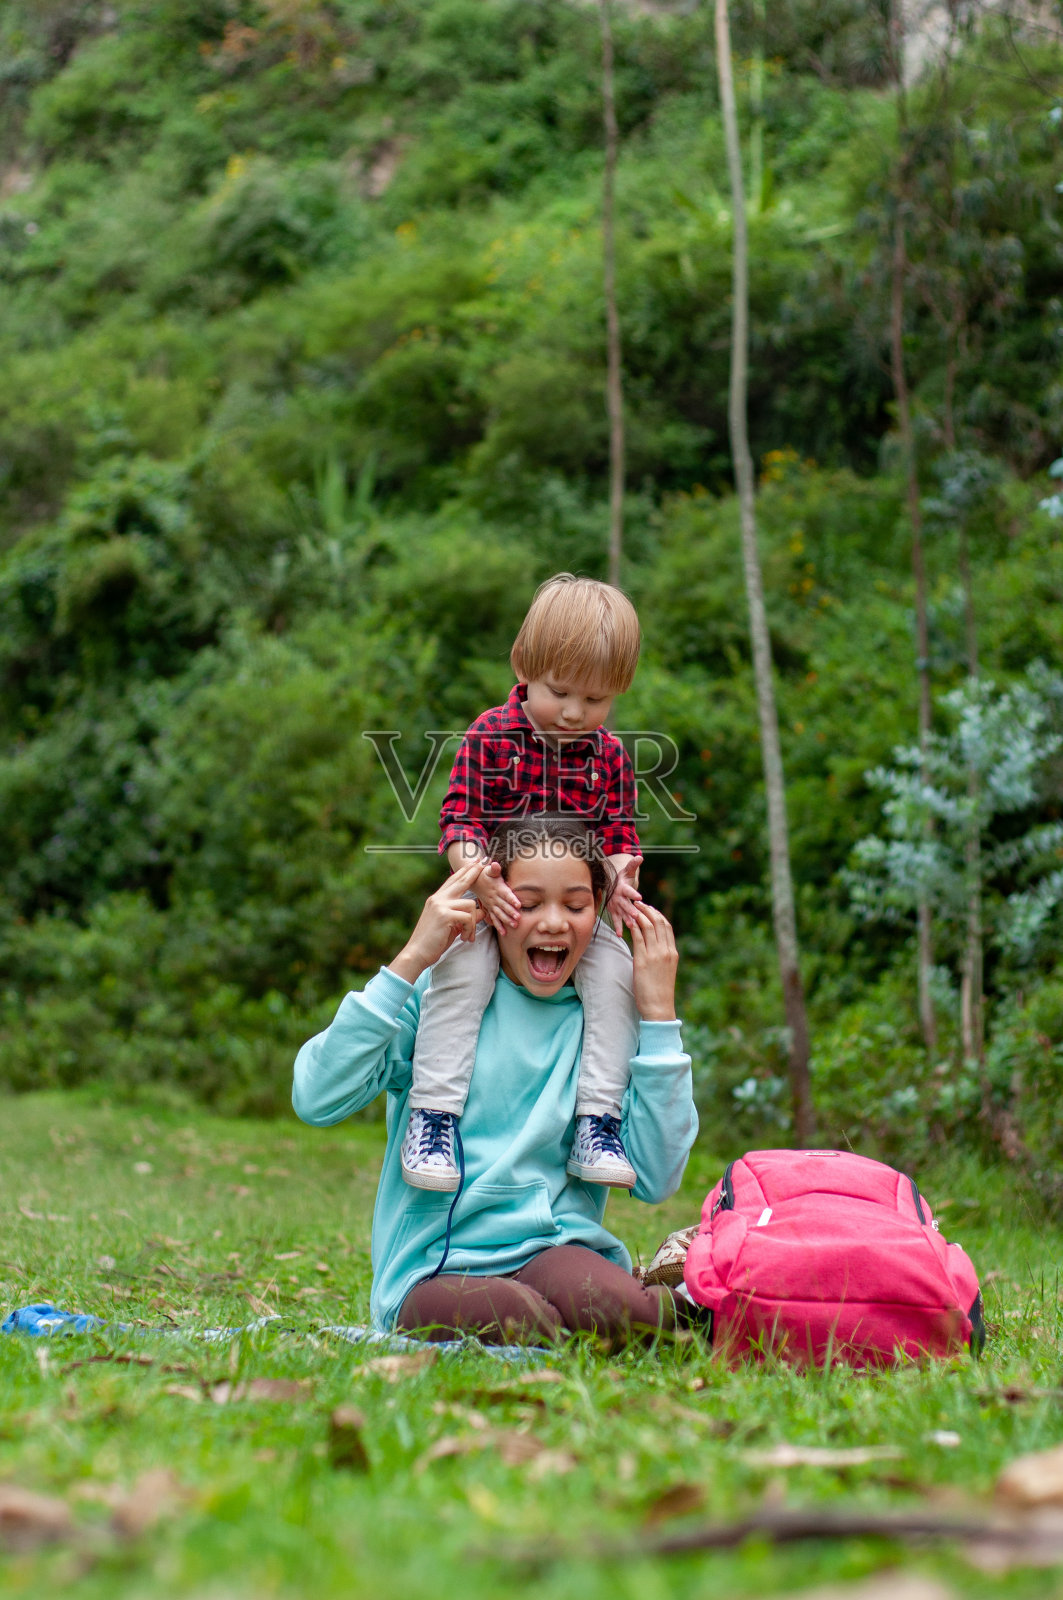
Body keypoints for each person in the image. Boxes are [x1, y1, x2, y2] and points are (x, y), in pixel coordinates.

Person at [292, 815, 698, 1343]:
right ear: (491, 901)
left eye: (575, 906)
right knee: (525, 1323)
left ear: (598, 909)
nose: (553, 923)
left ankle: (706, 1298)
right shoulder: (441, 1010)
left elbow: (655, 1177)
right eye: (528, 904)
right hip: (436, 1266)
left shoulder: (606, 1026)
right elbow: (316, 1098)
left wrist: (659, 1015)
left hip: (555, 1248)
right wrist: (412, 960)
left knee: (626, 1317)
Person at [402, 573, 647, 1196]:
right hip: (499, 903)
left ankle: (599, 1119)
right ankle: (433, 1115)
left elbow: (617, 832)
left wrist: (619, 877)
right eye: (560, 692)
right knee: (461, 976)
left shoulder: (609, 755)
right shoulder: (491, 735)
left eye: (595, 701)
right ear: (525, 668)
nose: (574, 712)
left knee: (618, 977)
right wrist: (477, 878)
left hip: (568, 912)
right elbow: (459, 818)